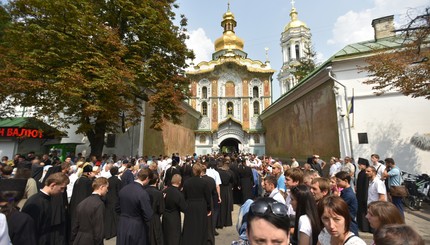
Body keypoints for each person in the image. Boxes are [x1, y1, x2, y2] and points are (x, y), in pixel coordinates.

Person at [22, 172, 69, 245]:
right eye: (61, 188)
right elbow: (30, 230)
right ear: (53, 185)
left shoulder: (48, 199)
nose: (62, 191)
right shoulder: (35, 202)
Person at [117, 168, 153, 245]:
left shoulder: (124, 189)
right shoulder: (142, 193)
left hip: (122, 224)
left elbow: (117, 207)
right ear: (146, 178)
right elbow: (148, 215)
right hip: (137, 226)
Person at [71, 177, 109, 245]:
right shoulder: (99, 204)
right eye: (106, 187)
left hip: (79, 239)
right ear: (102, 187)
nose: (107, 190)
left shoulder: (82, 203)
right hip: (91, 240)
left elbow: (75, 225)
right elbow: (99, 228)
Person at [181, 163, 212, 245]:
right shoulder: (204, 182)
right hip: (201, 205)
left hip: (190, 204)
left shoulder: (187, 182)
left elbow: (184, 196)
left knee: (190, 225)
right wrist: (209, 208)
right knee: (201, 225)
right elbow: (208, 197)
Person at [69, 164, 95, 233]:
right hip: (83, 206)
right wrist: (93, 177)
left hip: (75, 205)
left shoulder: (78, 180)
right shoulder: (88, 182)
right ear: (89, 173)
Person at [162, 174, 186, 245]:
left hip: (165, 215)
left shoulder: (165, 191)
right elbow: (183, 208)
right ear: (179, 182)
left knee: (165, 234)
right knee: (174, 235)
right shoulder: (178, 194)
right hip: (174, 216)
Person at [335, 171, 358, 236]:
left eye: (338, 181)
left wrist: (336, 197)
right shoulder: (344, 192)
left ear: (345, 181)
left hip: (349, 224)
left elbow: (338, 206)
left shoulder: (348, 194)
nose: (337, 183)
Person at [144, 171, 164, 245]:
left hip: (145, 217)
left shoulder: (144, 191)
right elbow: (161, 209)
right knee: (156, 238)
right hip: (155, 218)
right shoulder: (158, 193)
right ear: (157, 181)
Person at [104, 166, 122, 239]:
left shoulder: (108, 180)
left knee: (108, 216)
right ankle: (115, 231)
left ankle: (108, 232)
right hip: (115, 200)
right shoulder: (118, 181)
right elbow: (119, 192)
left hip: (108, 199)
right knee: (116, 216)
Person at [355, 158, 370, 232]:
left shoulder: (365, 173)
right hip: (359, 195)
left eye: (360, 165)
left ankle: (365, 227)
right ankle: (360, 225)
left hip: (363, 195)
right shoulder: (361, 173)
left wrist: (365, 197)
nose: (359, 166)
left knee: (363, 212)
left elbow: (366, 186)